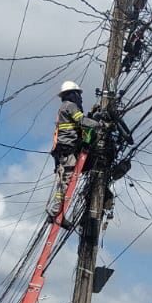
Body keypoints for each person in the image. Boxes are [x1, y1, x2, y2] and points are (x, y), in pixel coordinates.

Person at [49, 80, 107, 221]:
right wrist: (100, 125)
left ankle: (58, 213)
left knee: (66, 180)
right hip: (67, 148)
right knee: (66, 180)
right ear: (73, 94)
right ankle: (54, 212)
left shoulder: (64, 107)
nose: (80, 97)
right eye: (78, 94)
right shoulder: (70, 106)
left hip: (65, 148)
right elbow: (81, 121)